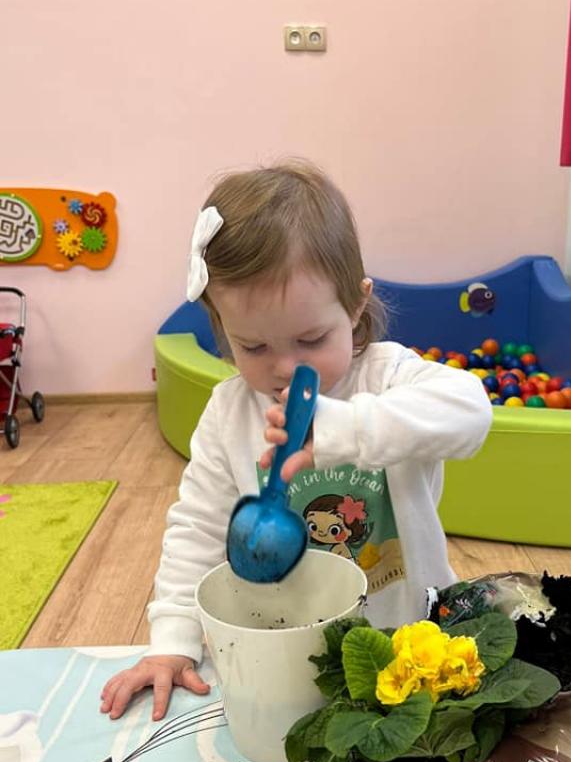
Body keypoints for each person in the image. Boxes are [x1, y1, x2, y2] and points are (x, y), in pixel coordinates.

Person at [100, 160, 491, 721]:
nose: (284, 368)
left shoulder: (386, 377)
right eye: (253, 347)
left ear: (356, 306)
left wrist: (343, 428)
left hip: (408, 635)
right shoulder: (230, 411)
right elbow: (198, 528)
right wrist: (173, 640)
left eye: (311, 339)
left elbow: (470, 413)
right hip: (288, 646)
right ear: (221, 329)